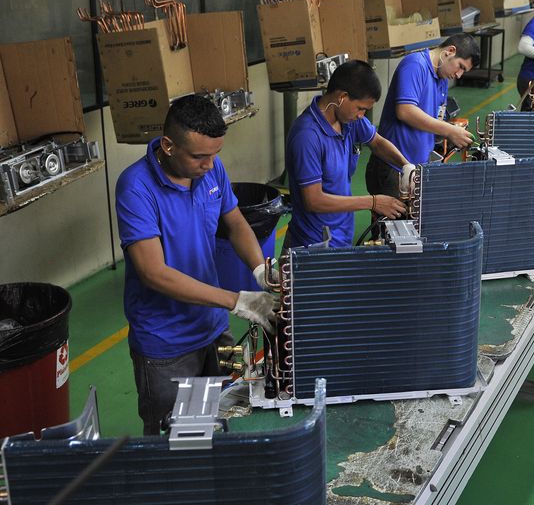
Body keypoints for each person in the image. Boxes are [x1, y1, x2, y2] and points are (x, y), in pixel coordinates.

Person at [115, 94, 276, 435]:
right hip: (167, 345)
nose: (210, 164)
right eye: (200, 156)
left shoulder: (210, 167)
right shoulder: (136, 187)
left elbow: (234, 223)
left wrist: (260, 268)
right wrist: (237, 300)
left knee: (220, 418)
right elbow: (153, 272)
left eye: (215, 154)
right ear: (169, 146)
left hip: (214, 330)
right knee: (178, 442)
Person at [285, 60, 410, 249]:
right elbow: (314, 200)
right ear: (342, 97)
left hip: (342, 234)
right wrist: (373, 202)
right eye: (361, 108)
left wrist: (407, 167)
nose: (362, 115)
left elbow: (376, 142)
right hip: (315, 245)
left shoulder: (349, 120)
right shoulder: (307, 136)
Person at [365, 33, 480, 198]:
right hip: (394, 168)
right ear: (450, 51)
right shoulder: (415, 65)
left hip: (416, 168)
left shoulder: (442, 80)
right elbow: (405, 110)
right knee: (394, 223)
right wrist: (449, 130)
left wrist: (452, 131)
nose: (459, 75)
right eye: (460, 66)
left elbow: (434, 120)